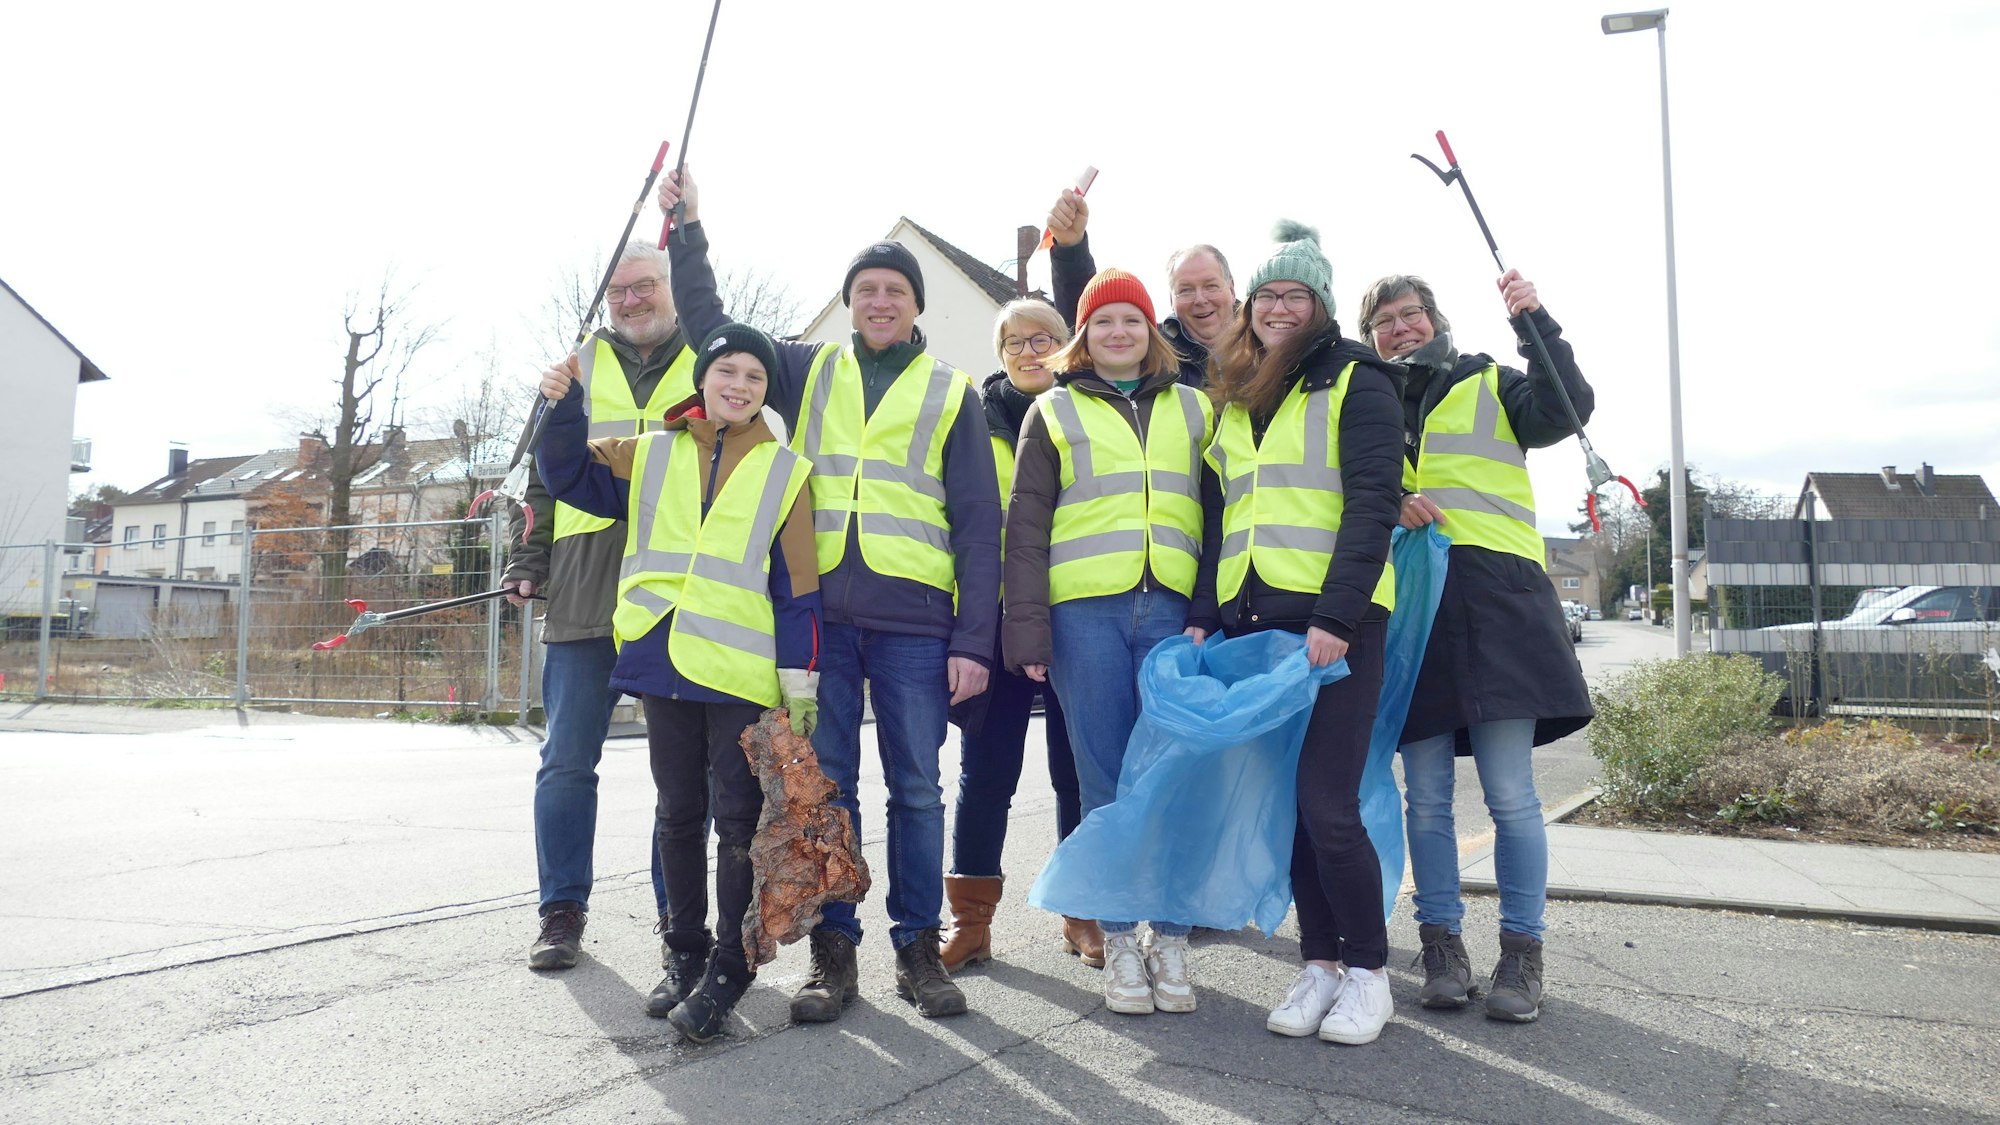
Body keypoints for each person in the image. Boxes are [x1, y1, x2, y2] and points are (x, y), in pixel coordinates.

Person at [657, 171, 1000, 1021]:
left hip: (919, 621)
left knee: (918, 787)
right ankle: (832, 956)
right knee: (825, 789)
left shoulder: (953, 392)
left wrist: (973, 640)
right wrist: (689, 230)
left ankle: (918, 948)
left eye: (895, 290)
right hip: (821, 624)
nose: (880, 301)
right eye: (865, 290)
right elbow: (714, 333)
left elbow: (978, 525)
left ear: (916, 306)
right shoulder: (806, 371)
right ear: (848, 303)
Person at [534, 321, 820, 1043]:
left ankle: (730, 965)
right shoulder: (649, 453)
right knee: (675, 812)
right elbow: (565, 474)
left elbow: (799, 589)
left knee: (734, 822)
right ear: (704, 379)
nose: (739, 385)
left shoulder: (788, 471)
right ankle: (683, 954)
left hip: (738, 668)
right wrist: (563, 406)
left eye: (755, 376)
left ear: (765, 390)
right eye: (727, 370)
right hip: (661, 652)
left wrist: (800, 681)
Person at [1359, 270, 1595, 1023]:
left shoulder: (1490, 379)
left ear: (1435, 320)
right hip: (1413, 610)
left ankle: (1522, 957)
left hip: (1499, 603)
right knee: (1423, 797)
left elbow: (1566, 406)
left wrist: (1537, 324)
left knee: (1510, 793)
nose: (1400, 330)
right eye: (1385, 322)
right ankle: (1441, 949)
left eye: (1411, 315)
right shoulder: (1363, 404)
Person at [1189, 222, 1404, 1045]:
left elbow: (1373, 503)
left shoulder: (1359, 380)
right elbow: (1222, 515)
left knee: (1329, 802)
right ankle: (1318, 965)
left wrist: (1336, 616)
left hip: (1335, 623)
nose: (1279, 307)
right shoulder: (1238, 392)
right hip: (1257, 622)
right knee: (1292, 807)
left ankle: (1370, 974)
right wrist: (1208, 613)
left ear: (1318, 305)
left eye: (1296, 294)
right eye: (1269, 294)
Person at [1004, 269, 1213, 1016]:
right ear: (1082, 337)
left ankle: (1175, 941)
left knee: (1175, 778)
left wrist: (1209, 609)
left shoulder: (1195, 407)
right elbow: (1025, 529)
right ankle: (1121, 939)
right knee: (1103, 782)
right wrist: (1027, 628)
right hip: (1082, 617)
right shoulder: (1051, 411)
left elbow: (1220, 514)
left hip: (1172, 615)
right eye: (1102, 321)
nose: (1118, 332)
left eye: (1131, 319)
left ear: (1151, 331)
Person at [503, 239, 710, 972]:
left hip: (677, 584)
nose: (632, 300)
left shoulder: (710, 359)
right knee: (565, 758)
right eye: (619, 291)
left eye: (644, 285)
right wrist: (530, 558)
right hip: (586, 579)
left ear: (669, 287)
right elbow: (541, 474)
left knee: (682, 771)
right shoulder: (576, 368)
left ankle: (676, 912)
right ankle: (561, 909)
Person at [940, 299, 1089, 973]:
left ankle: (1081, 911)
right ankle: (971, 921)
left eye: (1044, 338)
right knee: (987, 771)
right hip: (996, 624)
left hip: (1074, 617)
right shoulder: (968, 423)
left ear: (1067, 344)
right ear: (998, 353)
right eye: (1015, 342)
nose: (1031, 352)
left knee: (1075, 770)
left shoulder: (1086, 414)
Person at [1045, 188, 1235, 385]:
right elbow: (1090, 311)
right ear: (1171, 300)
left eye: (1211, 286)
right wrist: (1071, 248)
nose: (1200, 299)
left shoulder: (1264, 338)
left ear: (1231, 288)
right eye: (1185, 290)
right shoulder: (1155, 352)